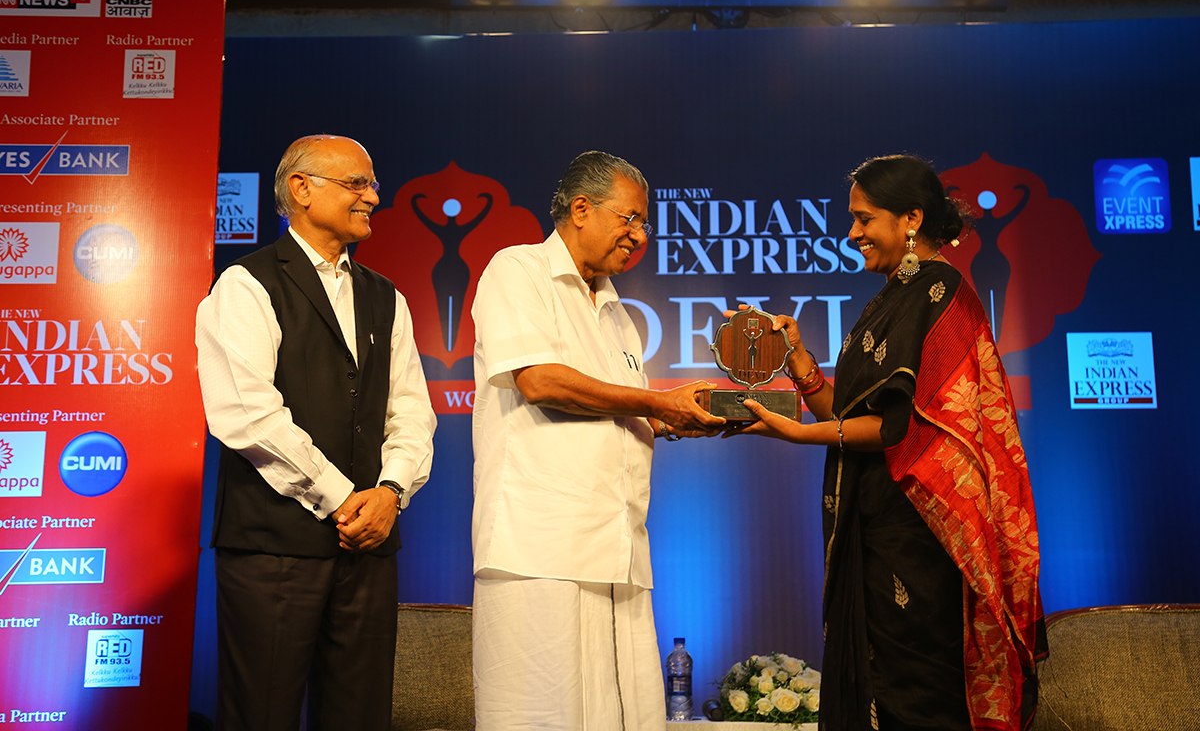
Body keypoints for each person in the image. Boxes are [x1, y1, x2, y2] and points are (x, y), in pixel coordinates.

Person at [731, 155, 1047, 731]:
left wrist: (797, 434)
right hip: (876, 528)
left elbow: (897, 429)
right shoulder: (891, 299)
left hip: (920, 537)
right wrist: (799, 361)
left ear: (911, 219)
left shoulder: (940, 293)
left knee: (918, 699)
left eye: (863, 218)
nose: (851, 233)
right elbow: (849, 416)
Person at [470, 150, 724, 730]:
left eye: (645, 224)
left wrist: (676, 417)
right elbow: (539, 381)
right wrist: (656, 403)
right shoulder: (518, 269)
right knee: (541, 716)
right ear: (581, 209)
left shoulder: (617, 314)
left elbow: (621, 410)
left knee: (625, 715)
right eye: (629, 219)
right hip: (540, 549)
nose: (639, 236)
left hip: (618, 549)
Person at [195, 135, 437, 731]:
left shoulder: (387, 296)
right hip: (273, 550)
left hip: (369, 547)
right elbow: (246, 414)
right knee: (261, 716)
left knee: (360, 716)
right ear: (301, 189)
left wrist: (390, 493)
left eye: (372, 184)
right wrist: (342, 498)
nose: (373, 197)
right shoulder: (246, 284)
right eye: (357, 183)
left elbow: (412, 412)